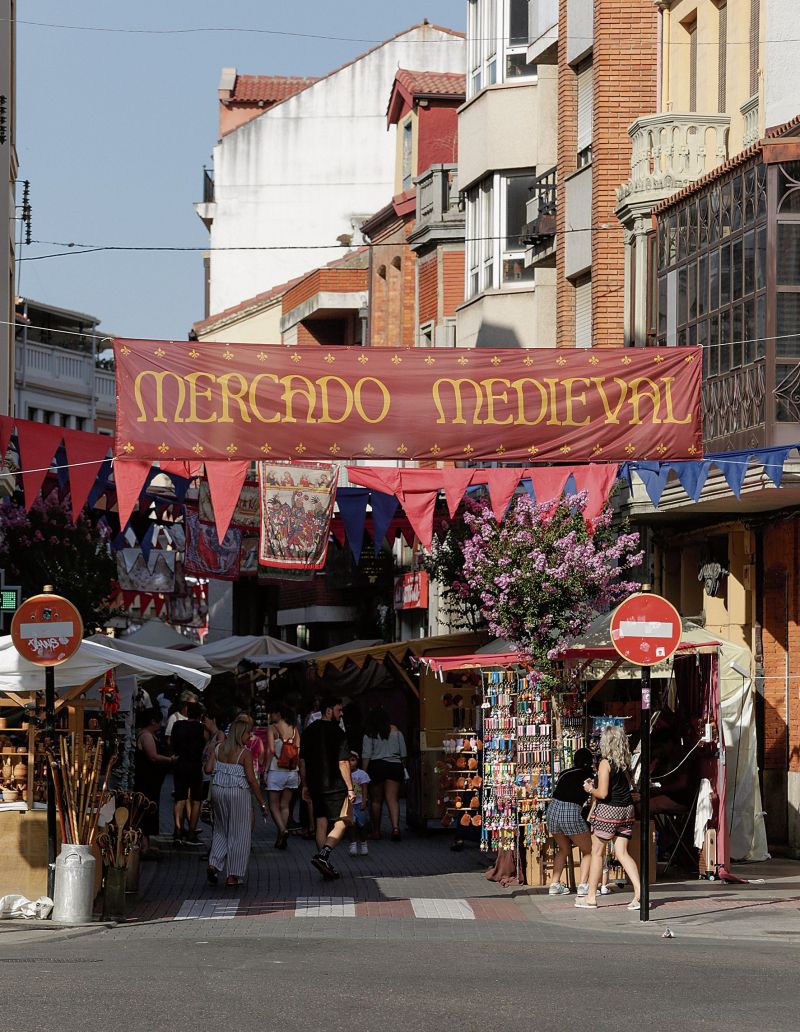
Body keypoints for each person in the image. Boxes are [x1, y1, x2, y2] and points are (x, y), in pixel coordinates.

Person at [577, 725, 641, 911]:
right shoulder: (625, 764)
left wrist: (590, 789)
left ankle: (591, 897)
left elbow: (603, 793)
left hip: (609, 812)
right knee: (622, 853)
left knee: (597, 852)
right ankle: (639, 894)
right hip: (626, 810)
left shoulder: (605, 763)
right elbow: (627, 788)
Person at [204, 713, 269, 887]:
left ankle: (214, 864)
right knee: (240, 833)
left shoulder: (218, 748)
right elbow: (252, 780)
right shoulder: (245, 753)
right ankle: (232, 875)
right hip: (238, 793)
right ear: (240, 734)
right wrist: (262, 803)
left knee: (221, 829)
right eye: (248, 733)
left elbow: (208, 769)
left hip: (218, 790)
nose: (250, 736)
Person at [299, 694, 356, 880]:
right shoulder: (338, 732)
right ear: (329, 710)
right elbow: (343, 762)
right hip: (336, 784)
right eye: (339, 710)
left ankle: (324, 862)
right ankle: (324, 855)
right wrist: (350, 788)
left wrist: (305, 785)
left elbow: (302, 761)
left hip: (315, 784)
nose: (341, 714)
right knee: (344, 820)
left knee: (321, 823)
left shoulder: (308, 731)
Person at [545, 747, 595, 896]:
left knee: (564, 848)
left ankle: (554, 885)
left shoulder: (565, 773)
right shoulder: (589, 776)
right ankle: (583, 886)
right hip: (571, 811)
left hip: (553, 810)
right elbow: (594, 800)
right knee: (589, 850)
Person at [134, 707, 176, 857]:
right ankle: (143, 846)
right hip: (146, 780)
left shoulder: (149, 735)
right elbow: (153, 756)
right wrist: (170, 760)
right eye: (159, 721)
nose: (161, 724)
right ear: (153, 721)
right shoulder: (146, 736)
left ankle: (146, 844)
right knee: (146, 809)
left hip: (152, 781)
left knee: (149, 810)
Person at [362, 707, 407, 842]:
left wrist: (363, 773)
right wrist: (403, 767)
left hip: (377, 767)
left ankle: (376, 831)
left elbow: (366, 755)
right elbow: (403, 753)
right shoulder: (397, 732)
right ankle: (395, 828)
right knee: (392, 799)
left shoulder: (369, 734)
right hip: (394, 766)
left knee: (376, 800)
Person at [266, 704, 301, 850]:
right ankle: (280, 839)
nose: (270, 716)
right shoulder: (294, 729)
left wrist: (266, 770)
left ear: (278, 714)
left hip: (276, 770)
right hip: (292, 771)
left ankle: (282, 829)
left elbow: (271, 750)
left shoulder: (272, 728)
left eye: (272, 713)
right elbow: (298, 749)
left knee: (273, 805)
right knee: (285, 805)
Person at [170, 701, 206, 844]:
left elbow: (172, 743)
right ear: (200, 715)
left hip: (180, 764)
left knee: (180, 798)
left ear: (186, 712)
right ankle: (191, 832)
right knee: (196, 800)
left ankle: (178, 831)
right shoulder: (201, 728)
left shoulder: (177, 725)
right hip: (195, 765)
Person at [347, 751, 371, 856]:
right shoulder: (344, 774)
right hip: (349, 804)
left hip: (359, 803)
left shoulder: (362, 774)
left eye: (353, 760)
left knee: (362, 825)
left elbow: (365, 789)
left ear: (357, 761)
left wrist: (364, 801)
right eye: (348, 760)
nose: (350, 763)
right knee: (351, 825)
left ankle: (363, 843)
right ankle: (353, 844)